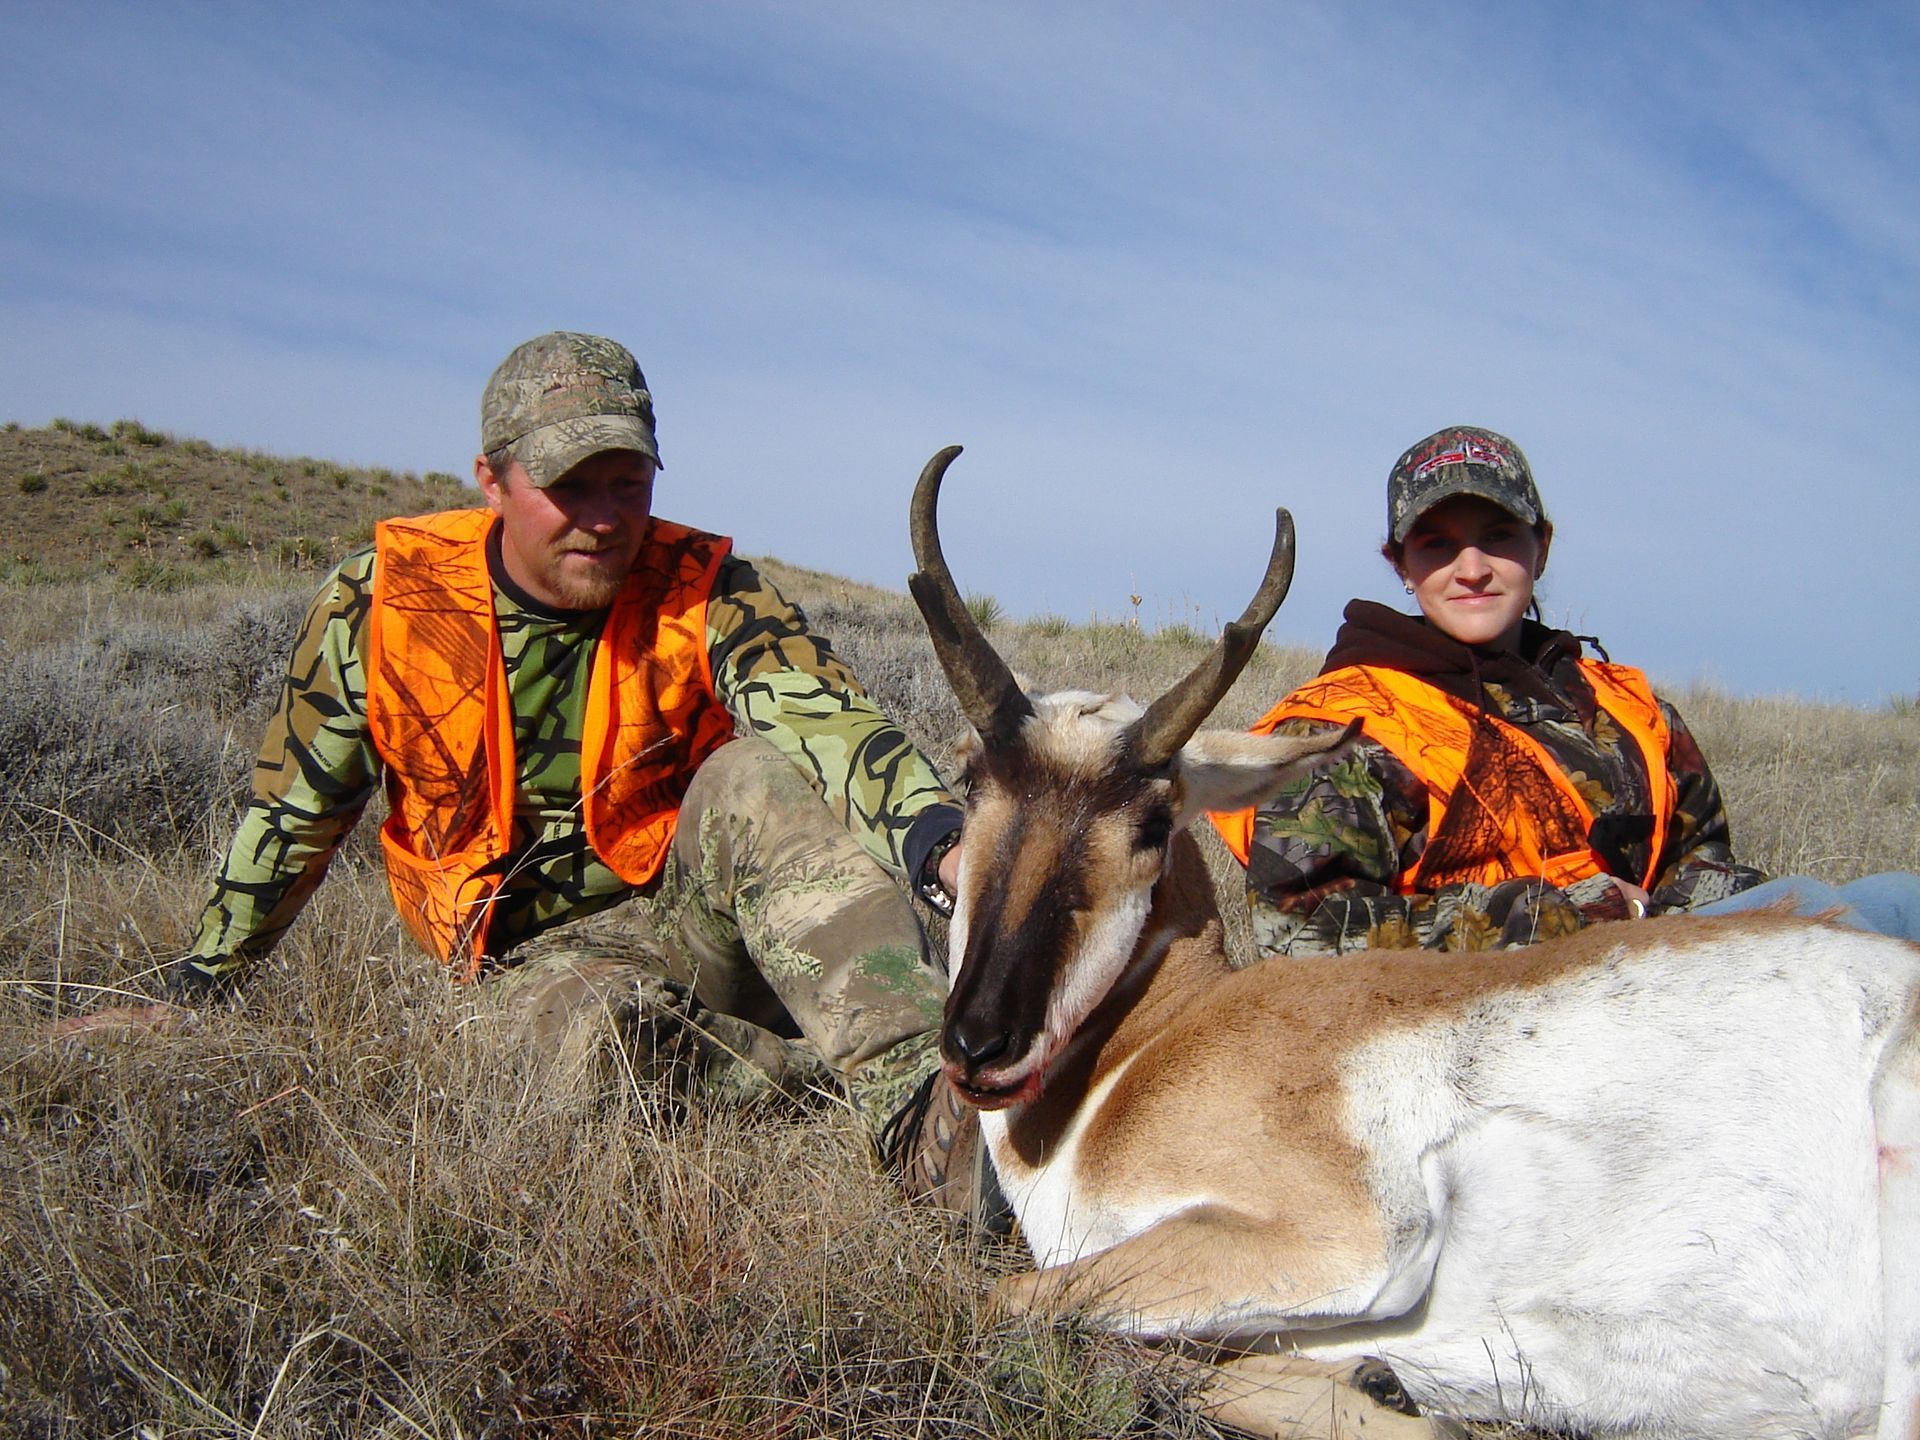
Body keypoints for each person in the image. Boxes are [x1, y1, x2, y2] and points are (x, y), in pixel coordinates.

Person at [58, 330, 995, 1222]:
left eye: (627, 484)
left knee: (759, 775)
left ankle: (934, 1119)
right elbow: (297, 813)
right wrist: (198, 986)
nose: (603, 519)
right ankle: (813, 1068)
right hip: (526, 960)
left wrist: (949, 848)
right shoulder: (381, 605)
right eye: (566, 486)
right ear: (492, 481)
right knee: (593, 1048)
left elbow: (831, 725)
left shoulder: (710, 588)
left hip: (695, 917)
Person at [1211, 424, 1920, 956]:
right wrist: (1573, 916)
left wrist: (1699, 909)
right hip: (1484, 1021)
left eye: (1499, 536)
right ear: (1399, 565)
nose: (1472, 568)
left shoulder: (1626, 708)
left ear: (1541, 547)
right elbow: (1303, 937)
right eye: (1436, 544)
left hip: (1656, 974)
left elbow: (1699, 859)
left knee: (1899, 900)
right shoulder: (1340, 728)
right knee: (1838, 931)